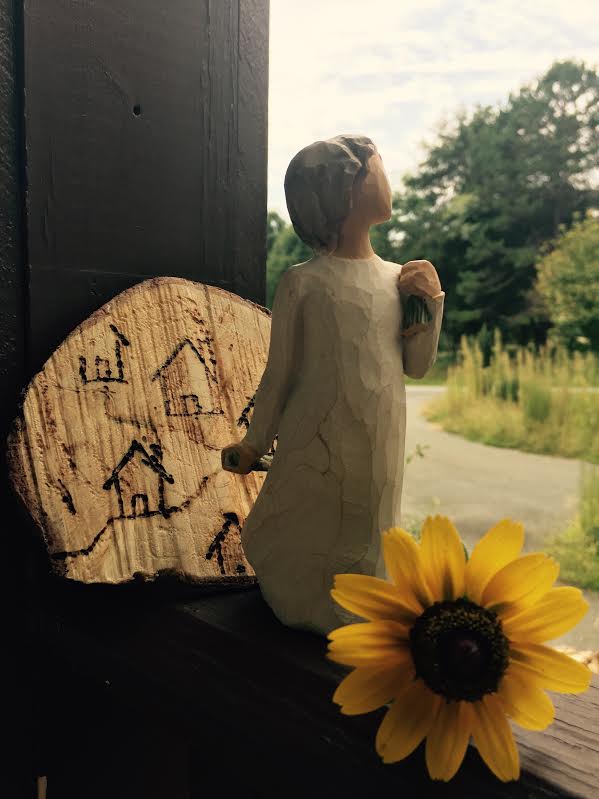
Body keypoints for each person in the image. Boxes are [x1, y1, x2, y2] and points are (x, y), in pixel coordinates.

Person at [222, 135, 444, 635]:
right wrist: (254, 442)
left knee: (370, 523)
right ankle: (301, 598)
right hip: (314, 438)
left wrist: (431, 304)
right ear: (344, 189)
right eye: (376, 168)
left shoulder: (400, 280)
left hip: (379, 436)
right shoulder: (302, 283)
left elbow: (417, 366)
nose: (386, 179)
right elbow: (279, 373)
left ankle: (361, 604)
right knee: (308, 519)